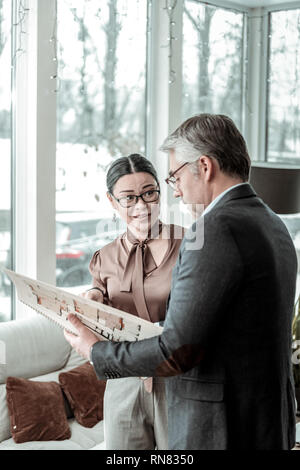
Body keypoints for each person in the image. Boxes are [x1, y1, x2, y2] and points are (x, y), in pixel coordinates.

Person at [64, 114, 298, 450]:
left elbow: (177, 348)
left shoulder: (212, 231)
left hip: (223, 426)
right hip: (262, 418)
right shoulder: (272, 221)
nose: (176, 193)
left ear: (204, 167)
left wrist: (95, 351)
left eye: (174, 177)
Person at [79, 153, 184, 450]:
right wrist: (94, 298)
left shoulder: (189, 245)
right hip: (122, 378)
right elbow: (99, 296)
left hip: (175, 379)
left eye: (149, 193)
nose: (141, 206)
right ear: (112, 202)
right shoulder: (104, 257)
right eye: (129, 198)